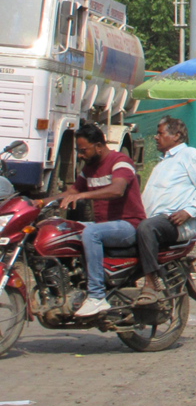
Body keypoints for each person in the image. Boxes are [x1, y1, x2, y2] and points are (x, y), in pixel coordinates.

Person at [58, 124, 146, 317]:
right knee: (62, 229)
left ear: (98, 146)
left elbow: (117, 190)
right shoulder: (89, 169)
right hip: (105, 226)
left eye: (83, 151)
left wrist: (83, 197)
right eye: (78, 151)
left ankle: (97, 296)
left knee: (91, 232)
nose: (80, 156)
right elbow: (71, 192)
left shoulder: (120, 162)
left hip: (128, 225)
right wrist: (38, 202)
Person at [135, 117, 196, 306]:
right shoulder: (163, 163)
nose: (155, 138)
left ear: (176, 135)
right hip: (156, 222)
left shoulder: (189, 155)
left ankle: (151, 283)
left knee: (147, 228)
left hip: (176, 223)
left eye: (160, 133)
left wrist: (188, 211)